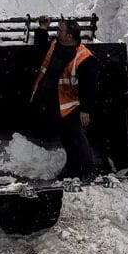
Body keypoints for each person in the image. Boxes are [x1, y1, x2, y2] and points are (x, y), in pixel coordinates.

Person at [30, 16, 99, 180]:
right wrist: (42, 29)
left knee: (76, 138)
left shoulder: (84, 58)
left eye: (60, 30)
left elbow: (90, 86)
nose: (57, 31)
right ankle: (72, 167)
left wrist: (86, 109)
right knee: (67, 139)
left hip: (70, 106)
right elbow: (40, 49)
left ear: (69, 36)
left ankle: (87, 170)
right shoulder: (56, 45)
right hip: (55, 104)